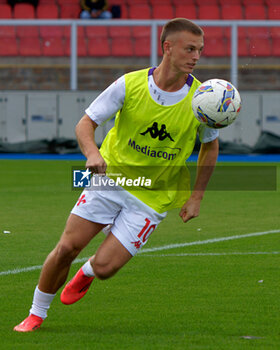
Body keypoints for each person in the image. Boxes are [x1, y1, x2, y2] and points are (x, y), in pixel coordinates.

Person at [14, 18, 219, 332]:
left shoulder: (202, 100)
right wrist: (93, 154)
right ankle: (36, 313)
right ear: (167, 47)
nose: (196, 57)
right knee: (67, 247)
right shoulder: (130, 84)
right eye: (190, 49)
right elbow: (85, 124)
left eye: (200, 50)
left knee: (107, 268)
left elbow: (209, 147)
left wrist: (197, 196)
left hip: (153, 196)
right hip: (108, 180)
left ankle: (88, 273)